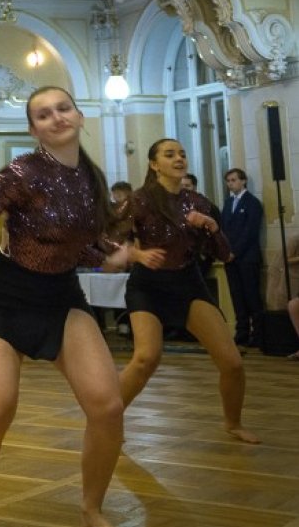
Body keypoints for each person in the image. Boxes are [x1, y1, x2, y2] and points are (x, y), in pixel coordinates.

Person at [0, 85, 153, 527]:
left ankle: (92, 511)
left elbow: (76, 242)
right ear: (33, 129)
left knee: (107, 406)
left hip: (60, 296)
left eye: (63, 108)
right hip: (4, 298)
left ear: (79, 115)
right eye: (43, 114)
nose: (57, 117)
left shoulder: (91, 176)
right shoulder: (23, 171)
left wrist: (111, 255)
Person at [111, 139, 254, 443]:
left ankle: (233, 423)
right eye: (170, 154)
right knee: (146, 358)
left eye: (182, 154)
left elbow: (225, 253)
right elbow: (107, 240)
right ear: (154, 164)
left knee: (232, 363)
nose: (179, 158)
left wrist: (212, 226)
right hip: (148, 286)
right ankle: (106, 419)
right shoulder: (139, 200)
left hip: (188, 283)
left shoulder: (198, 201)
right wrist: (137, 254)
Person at [220, 168, 265, 347]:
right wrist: (224, 251)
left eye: (234, 180)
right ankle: (242, 333)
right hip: (230, 259)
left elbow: (250, 232)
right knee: (237, 297)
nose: (230, 184)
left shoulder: (252, 203)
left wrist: (234, 252)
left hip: (247, 258)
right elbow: (223, 230)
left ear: (243, 181)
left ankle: (259, 334)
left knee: (252, 297)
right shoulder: (228, 202)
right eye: (228, 181)